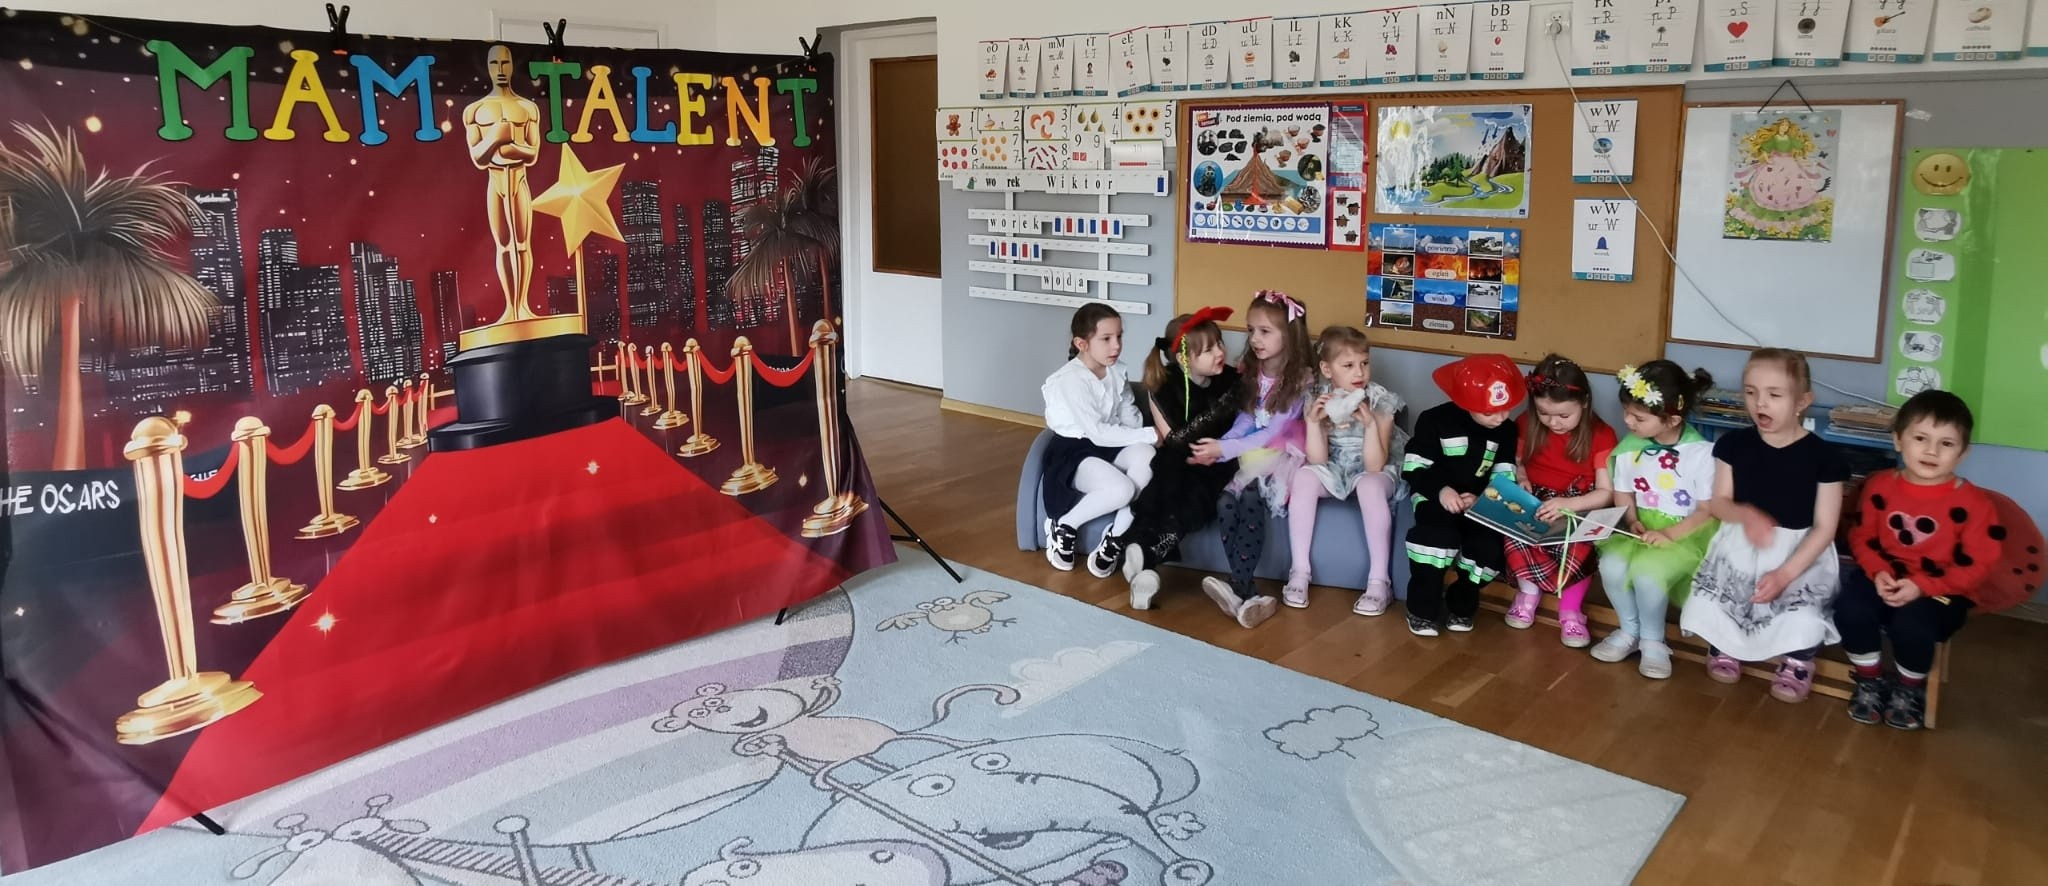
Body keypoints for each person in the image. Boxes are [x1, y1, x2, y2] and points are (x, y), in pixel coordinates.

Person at [1682, 349, 1846, 702]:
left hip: (1798, 554)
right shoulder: (1732, 445)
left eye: (1774, 394)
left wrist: (1785, 574)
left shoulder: (1825, 458)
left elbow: (1825, 528)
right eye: (1751, 392)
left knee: (1803, 615)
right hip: (1741, 543)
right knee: (1716, 601)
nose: (1760, 403)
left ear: (1802, 401)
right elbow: (1719, 503)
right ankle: (1725, 645)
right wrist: (1745, 515)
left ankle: (1798, 660)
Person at [1838, 390, 2002, 730]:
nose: (1931, 451)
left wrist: (1922, 586)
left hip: (1942, 590)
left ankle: (1908, 688)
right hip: (1882, 577)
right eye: (1921, 438)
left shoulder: (1975, 504)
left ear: (1963, 452)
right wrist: (1878, 572)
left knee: (1913, 625)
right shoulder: (1879, 485)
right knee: (1850, 609)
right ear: (1899, 440)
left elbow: (1977, 566)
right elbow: (1862, 537)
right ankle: (1869, 679)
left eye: (1946, 443)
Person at [1187, 290, 1315, 628]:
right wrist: (1222, 444)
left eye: (1265, 331)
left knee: (1250, 499)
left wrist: (1225, 450)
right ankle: (1244, 589)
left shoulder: (1300, 379)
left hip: (1280, 455)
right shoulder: (1251, 372)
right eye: (1251, 330)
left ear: (1289, 335)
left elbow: (1272, 431)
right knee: (1226, 501)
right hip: (1250, 453)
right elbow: (1246, 419)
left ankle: (1239, 586)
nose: (1255, 339)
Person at [1588, 361, 1719, 679]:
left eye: (1638, 417)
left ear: (1672, 419)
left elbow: (1707, 510)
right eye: (1626, 412)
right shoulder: (1629, 448)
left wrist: (1671, 534)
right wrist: (1632, 518)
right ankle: (1629, 631)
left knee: (1649, 575)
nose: (1627, 421)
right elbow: (1623, 491)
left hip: (1685, 531)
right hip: (1643, 527)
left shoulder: (1702, 454)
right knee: (1611, 566)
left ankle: (1653, 640)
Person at [1115, 307, 1245, 610]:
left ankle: (1143, 556)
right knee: (1165, 485)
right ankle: (1142, 556)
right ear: (1185, 359)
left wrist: (1218, 444)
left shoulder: (1231, 380)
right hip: (1179, 458)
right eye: (1209, 350)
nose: (1220, 352)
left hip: (1217, 460)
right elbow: (1174, 439)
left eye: (1219, 344)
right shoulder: (1163, 383)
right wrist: (1220, 410)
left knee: (1194, 499)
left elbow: (1241, 427)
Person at [1283, 326, 1407, 614]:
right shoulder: (1318, 398)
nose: (1359, 372)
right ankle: (1299, 572)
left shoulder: (1380, 400)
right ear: (1327, 369)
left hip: (1374, 468)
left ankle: (1379, 582)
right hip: (1335, 466)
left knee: (1369, 485)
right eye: (1348, 365)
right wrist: (1314, 423)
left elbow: (1375, 466)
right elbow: (1317, 460)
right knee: (1303, 476)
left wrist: (1370, 425)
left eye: (1364, 363)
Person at [1402, 354, 1525, 637]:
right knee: (1435, 542)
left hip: (1480, 503)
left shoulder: (1507, 430)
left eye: (1506, 409)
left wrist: (1482, 497)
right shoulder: (1433, 420)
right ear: (1465, 403)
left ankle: (1461, 603)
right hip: (1434, 498)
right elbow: (1414, 468)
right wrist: (1442, 490)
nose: (1500, 418)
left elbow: (1504, 476)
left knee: (1489, 550)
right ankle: (1421, 610)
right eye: (1490, 412)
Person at [1499, 355, 1618, 647]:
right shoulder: (1526, 423)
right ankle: (1527, 596)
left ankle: (1571, 611)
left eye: (1564, 416)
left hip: (1580, 502)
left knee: (1579, 545)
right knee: (1518, 533)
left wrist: (1570, 504)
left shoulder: (1602, 435)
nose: (1553, 422)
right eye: (1544, 413)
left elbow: (1606, 492)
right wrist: (1521, 475)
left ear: (1584, 403)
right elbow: (1517, 461)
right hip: (1535, 498)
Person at [1040, 303, 1159, 577]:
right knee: (1123, 489)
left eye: (1119, 336)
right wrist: (1152, 434)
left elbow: (1128, 416)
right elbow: (1097, 433)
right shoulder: (1070, 380)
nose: (1116, 345)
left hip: (1110, 444)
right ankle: (1065, 526)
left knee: (1148, 457)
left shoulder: (1116, 370)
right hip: (1075, 450)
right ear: (1082, 344)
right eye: (1106, 339)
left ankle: (1116, 537)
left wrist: (1144, 438)